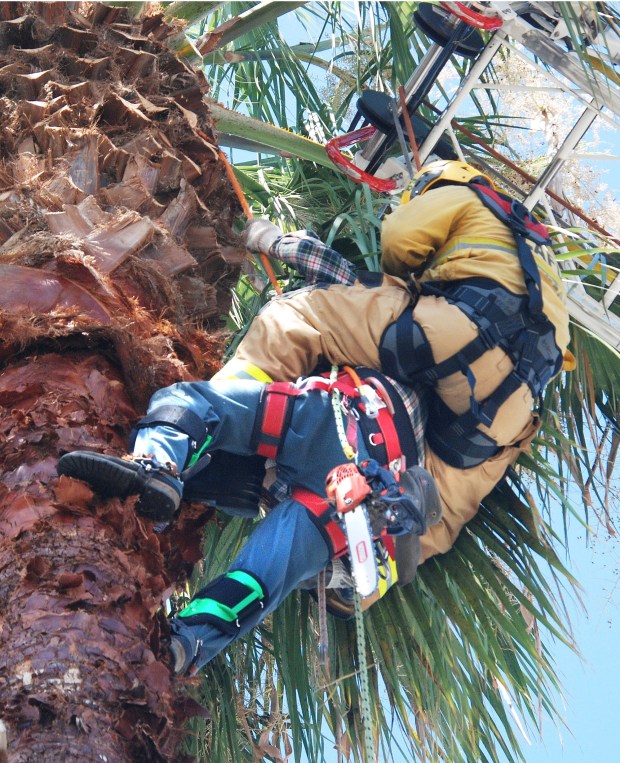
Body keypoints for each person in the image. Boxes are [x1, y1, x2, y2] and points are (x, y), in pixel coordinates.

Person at [213, 159, 572, 562]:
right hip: (510, 409)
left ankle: (221, 412)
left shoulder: (465, 196)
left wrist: (272, 239)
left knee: (294, 319)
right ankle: (363, 576)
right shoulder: (538, 265)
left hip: (456, 332)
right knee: (443, 509)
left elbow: (395, 244)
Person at [58, 365, 441, 674]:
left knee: (185, 400)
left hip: (336, 425)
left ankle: (156, 463)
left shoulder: (378, 334)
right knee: (255, 580)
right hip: (352, 481)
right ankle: (182, 643)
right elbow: (339, 598)